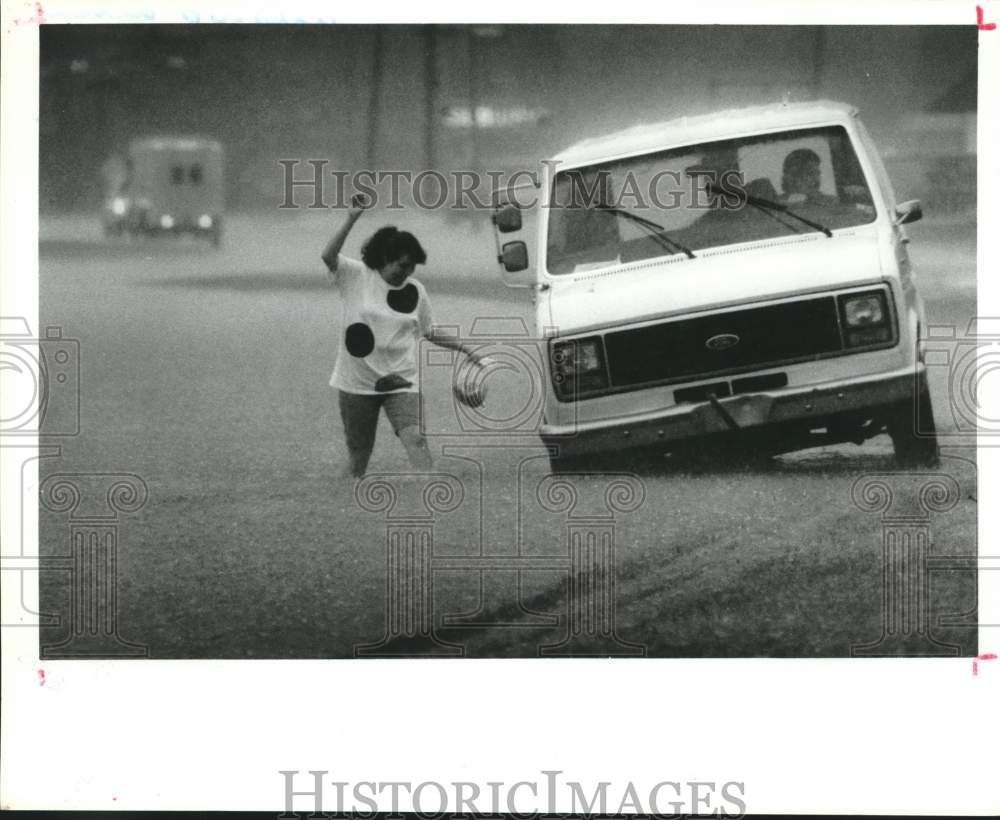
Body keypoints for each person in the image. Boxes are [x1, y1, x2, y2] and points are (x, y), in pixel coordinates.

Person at [321, 196, 485, 478]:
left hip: (401, 380)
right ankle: (344, 501)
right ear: (385, 259)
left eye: (411, 268)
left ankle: (428, 491)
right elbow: (328, 256)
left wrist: (465, 349)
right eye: (402, 265)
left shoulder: (415, 291)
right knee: (359, 457)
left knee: (416, 440)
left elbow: (429, 329)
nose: (406, 273)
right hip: (356, 382)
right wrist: (351, 218)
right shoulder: (355, 276)